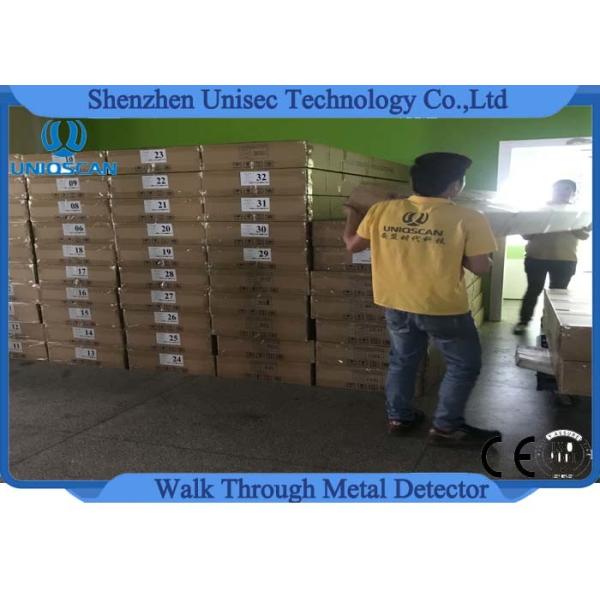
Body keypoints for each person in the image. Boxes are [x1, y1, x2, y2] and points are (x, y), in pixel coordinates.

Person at [343, 152, 499, 447]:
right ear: (455, 186)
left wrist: (351, 212)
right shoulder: (469, 217)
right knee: (463, 364)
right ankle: (446, 427)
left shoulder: (381, 210)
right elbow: (481, 267)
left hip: (395, 302)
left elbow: (352, 245)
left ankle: (399, 418)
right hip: (443, 307)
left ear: (414, 182)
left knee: (403, 360)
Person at [513, 179, 591, 334]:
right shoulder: (539, 210)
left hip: (565, 260)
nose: (562, 192)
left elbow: (584, 236)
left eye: (567, 189)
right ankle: (523, 322)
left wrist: (570, 224)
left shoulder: (579, 212)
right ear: (552, 191)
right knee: (533, 290)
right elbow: (526, 235)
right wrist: (537, 225)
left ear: (573, 193)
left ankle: (549, 326)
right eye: (558, 188)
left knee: (558, 295)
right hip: (536, 258)